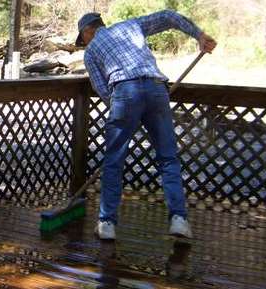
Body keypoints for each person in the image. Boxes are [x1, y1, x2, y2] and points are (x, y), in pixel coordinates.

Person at [76, 11, 217, 240]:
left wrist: (124, 111)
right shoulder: (130, 26)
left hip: (123, 92)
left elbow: (102, 90)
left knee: (114, 161)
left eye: (83, 39)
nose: (85, 43)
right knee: (168, 157)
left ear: (87, 32)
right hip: (155, 87)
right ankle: (179, 220)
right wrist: (199, 35)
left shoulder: (91, 51)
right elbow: (169, 16)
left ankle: (107, 223)